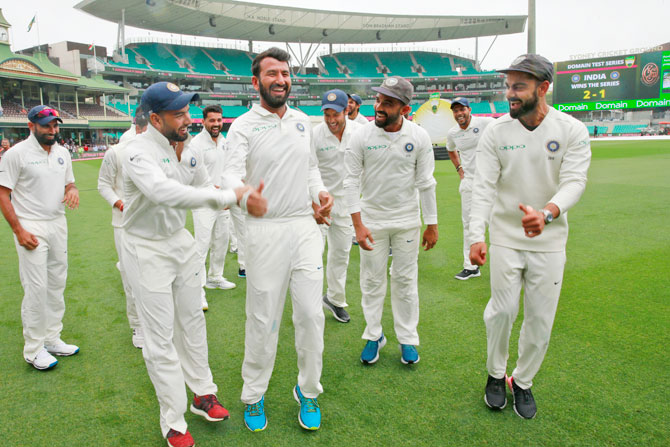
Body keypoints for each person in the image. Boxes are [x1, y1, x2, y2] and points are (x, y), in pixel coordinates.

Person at [121, 81, 267, 447]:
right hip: (146, 248)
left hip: (179, 243)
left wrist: (238, 196)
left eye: (188, 111)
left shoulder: (189, 150)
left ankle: (203, 394)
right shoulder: (136, 151)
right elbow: (162, 193)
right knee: (160, 340)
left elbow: (209, 187)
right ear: (155, 118)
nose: (187, 119)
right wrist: (224, 199)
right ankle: (172, 419)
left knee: (193, 322)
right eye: (178, 113)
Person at [469, 54, 591, 420]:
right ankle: (495, 375)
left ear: (543, 88)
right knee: (502, 312)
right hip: (505, 236)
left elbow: (575, 181)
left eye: (518, 86)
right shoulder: (496, 131)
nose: (510, 93)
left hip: (549, 241)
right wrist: (476, 235)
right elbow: (483, 187)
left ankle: (522, 382)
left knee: (540, 322)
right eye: (508, 85)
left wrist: (548, 213)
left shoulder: (571, 130)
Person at [223, 47, 332, 433]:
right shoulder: (243, 126)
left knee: (310, 315)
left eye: (285, 73)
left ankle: (309, 391)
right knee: (263, 319)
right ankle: (254, 395)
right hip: (264, 231)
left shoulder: (304, 121)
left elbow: (312, 169)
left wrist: (320, 194)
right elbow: (231, 176)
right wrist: (244, 194)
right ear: (256, 82)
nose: (281, 80)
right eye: (272, 74)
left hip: (304, 227)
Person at [344, 76, 438, 366]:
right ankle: (374, 335)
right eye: (379, 100)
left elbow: (426, 182)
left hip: (407, 221)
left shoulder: (418, 137)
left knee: (405, 281)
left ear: (405, 109)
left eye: (389, 102)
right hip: (372, 221)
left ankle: (408, 339)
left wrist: (431, 224)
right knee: (372, 280)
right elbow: (350, 182)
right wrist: (357, 225)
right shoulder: (361, 135)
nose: (380, 107)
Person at [0, 105, 80, 371]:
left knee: (57, 283)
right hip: (30, 226)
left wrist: (72, 189)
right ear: (31, 126)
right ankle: (33, 349)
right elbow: (3, 193)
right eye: (46, 125)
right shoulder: (16, 154)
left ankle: (52, 338)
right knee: (36, 288)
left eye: (55, 125)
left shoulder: (62, 152)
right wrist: (18, 230)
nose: (52, 130)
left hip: (58, 223)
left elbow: (69, 182)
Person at [97, 110, 149, 349]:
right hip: (124, 223)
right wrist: (120, 204)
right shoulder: (116, 152)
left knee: (152, 274)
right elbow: (104, 185)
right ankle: (137, 324)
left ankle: (152, 321)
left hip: (151, 223)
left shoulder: (154, 148)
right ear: (139, 126)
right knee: (130, 276)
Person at [313, 89, 362, 324]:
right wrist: (315, 202)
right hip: (319, 204)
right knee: (311, 255)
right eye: (327, 115)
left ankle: (334, 299)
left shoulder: (360, 132)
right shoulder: (315, 135)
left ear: (346, 111)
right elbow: (307, 169)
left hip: (346, 204)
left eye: (336, 114)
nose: (331, 120)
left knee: (341, 255)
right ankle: (309, 304)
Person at [189, 105, 235, 312]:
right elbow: (192, 176)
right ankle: (197, 292)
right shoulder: (195, 144)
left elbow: (227, 171)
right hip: (203, 203)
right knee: (202, 246)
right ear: (203, 121)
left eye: (219, 120)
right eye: (212, 120)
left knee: (221, 241)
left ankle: (215, 277)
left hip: (222, 202)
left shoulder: (225, 142)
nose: (216, 124)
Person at [446, 97, 495, 281]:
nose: (459, 114)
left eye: (462, 109)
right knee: (468, 224)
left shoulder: (486, 123)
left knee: (500, 221)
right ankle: (471, 266)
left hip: (491, 181)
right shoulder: (453, 133)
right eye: (455, 111)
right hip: (469, 182)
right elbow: (451, 150)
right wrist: (459, 169)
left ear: (469, 109)